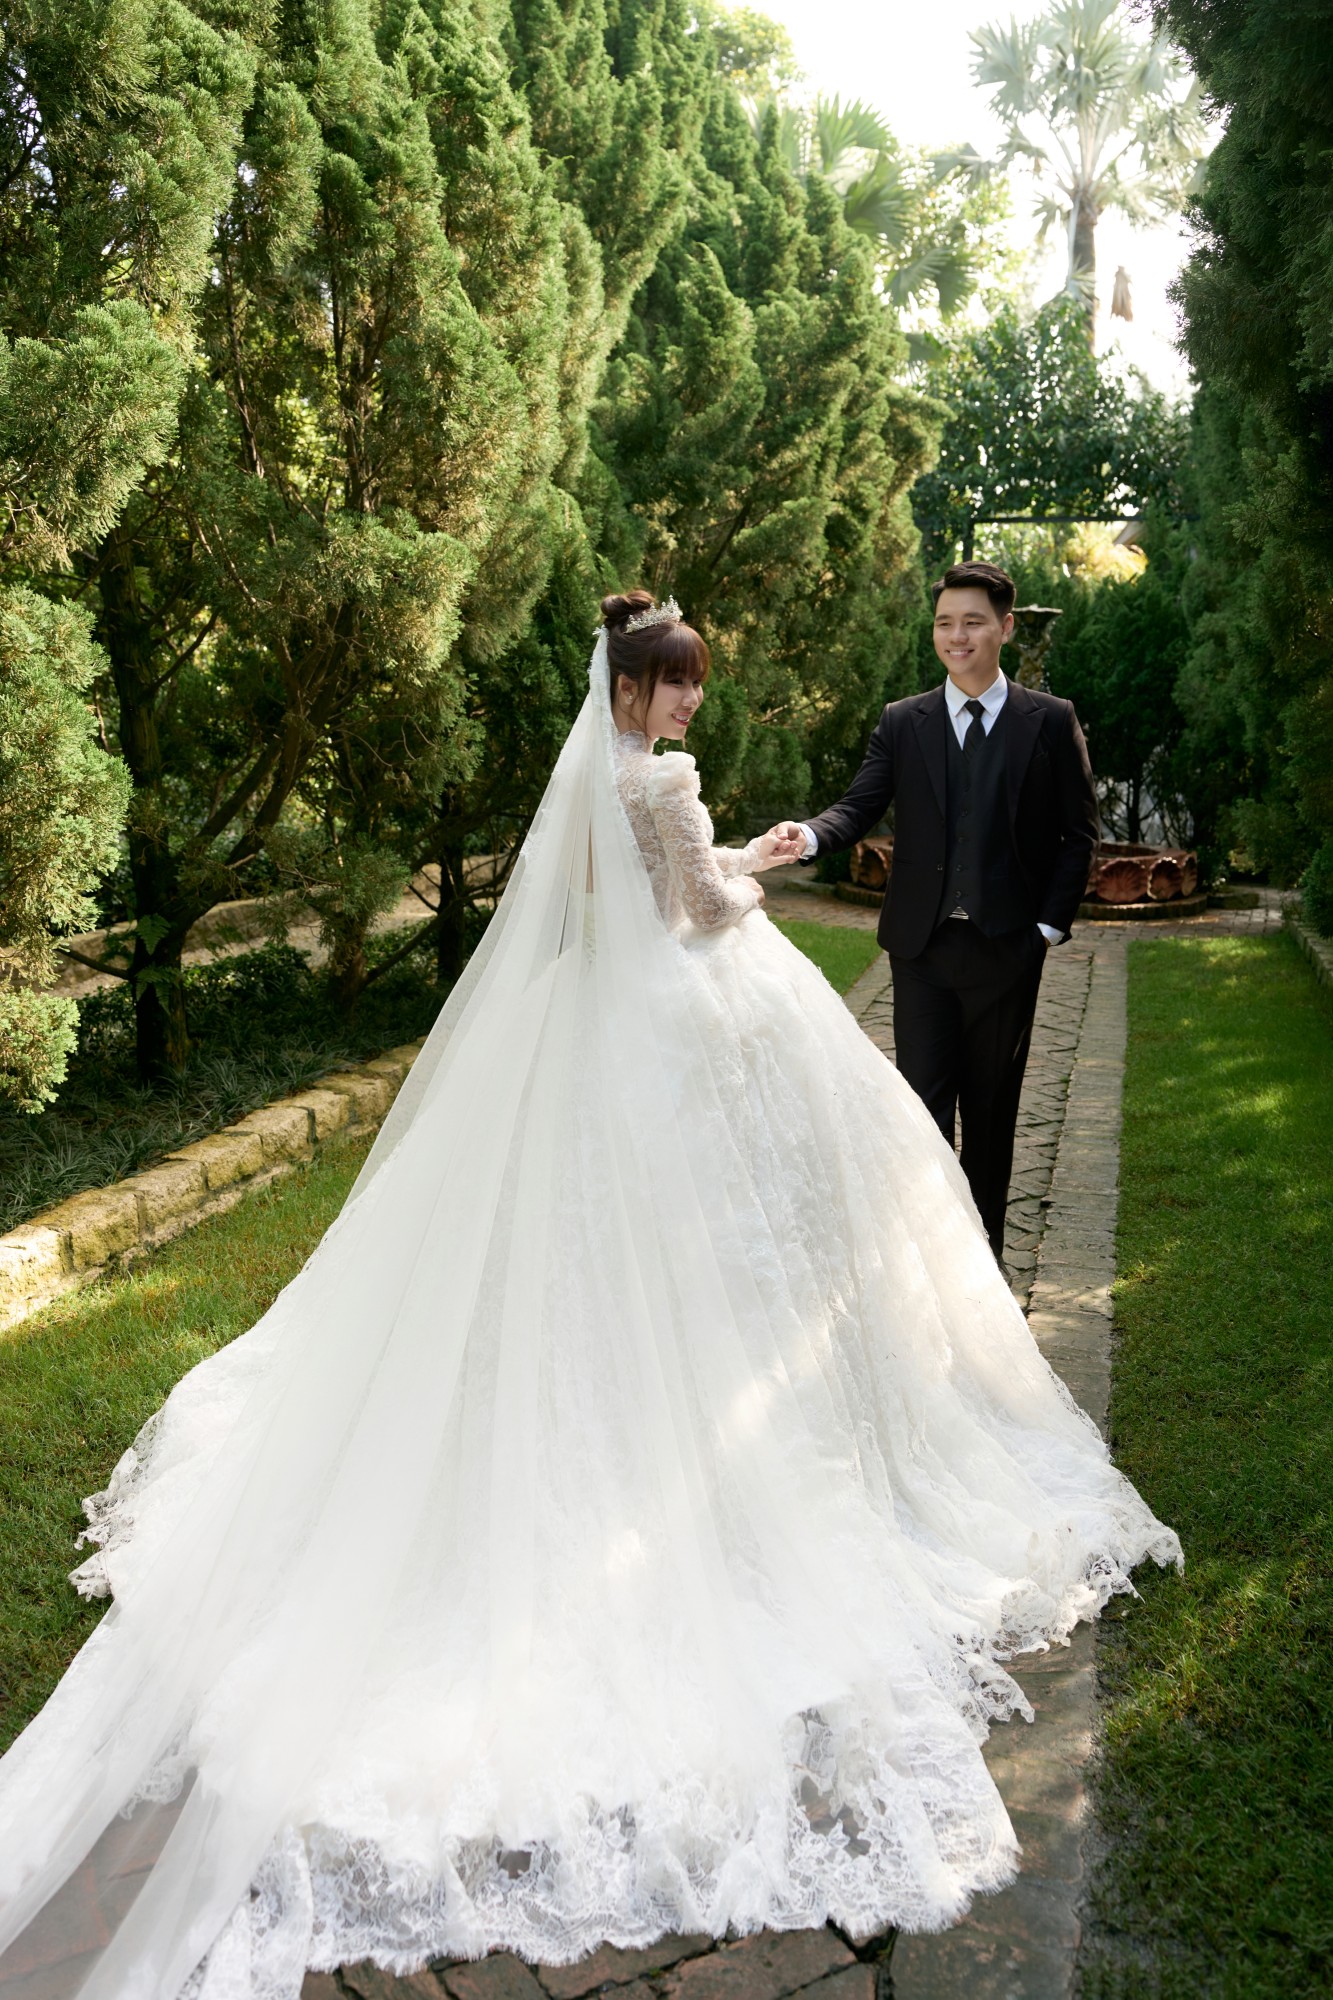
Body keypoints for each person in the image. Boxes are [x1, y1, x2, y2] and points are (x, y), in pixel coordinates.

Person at [0, 591, 1176, 2000]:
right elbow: (697, 910)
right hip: (675, 1015)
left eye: (691, 684)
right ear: (633, 691)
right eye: (676, 684)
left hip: (588, 1023)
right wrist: (751, 870)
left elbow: (593, 903)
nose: (690, 703)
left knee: (577, 1254)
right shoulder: (660, 781)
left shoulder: (593, 783)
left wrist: (736, 853)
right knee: (713, 1248)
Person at [771, 562, 1098, 1262]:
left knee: (991, 1113)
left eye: (972, 622)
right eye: (945, 622)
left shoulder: (1049, 720)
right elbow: (859, 805)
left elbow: (1079, 834)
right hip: (920, 949)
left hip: (1007, 949)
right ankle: (930, 1265)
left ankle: (984, 1267)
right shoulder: (903, 721)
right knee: (919, 1114)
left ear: (1005, 627)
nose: (957, 635)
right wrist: (810, 836)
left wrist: (1045, 929)